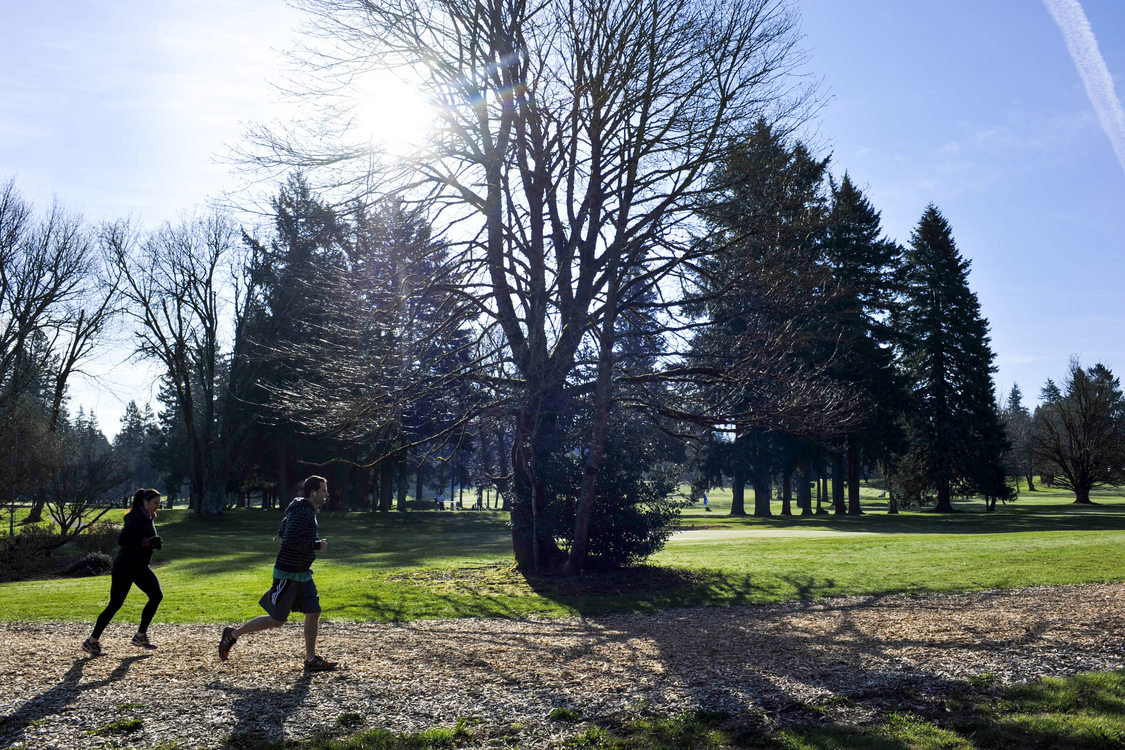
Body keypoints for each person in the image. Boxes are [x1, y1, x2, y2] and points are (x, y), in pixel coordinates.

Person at [218, 475, 337, 672]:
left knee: (314, 612)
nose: (327, 494)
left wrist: (308, 543)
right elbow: (289, 540)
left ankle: (311, 659)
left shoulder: (302, 509)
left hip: (303, 573)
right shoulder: (303, 512)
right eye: (324, 490)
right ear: (313, 492)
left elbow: (283, 531)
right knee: (276, 621)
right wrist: (317, 545)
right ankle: (232, 635)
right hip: (289, 574)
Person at [82, 488, 164, 657]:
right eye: (155, 503)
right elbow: (123, 540)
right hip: (125, 567)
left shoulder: (148, 517)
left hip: (140, 567)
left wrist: (153, 544)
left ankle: (140, 636)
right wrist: (147, 542)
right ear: (145, 502)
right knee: (115, 604)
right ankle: (92, 641)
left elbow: (145, 541)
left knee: (156, 596)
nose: (157, 506)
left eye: (159, 503)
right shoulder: (136, 518)